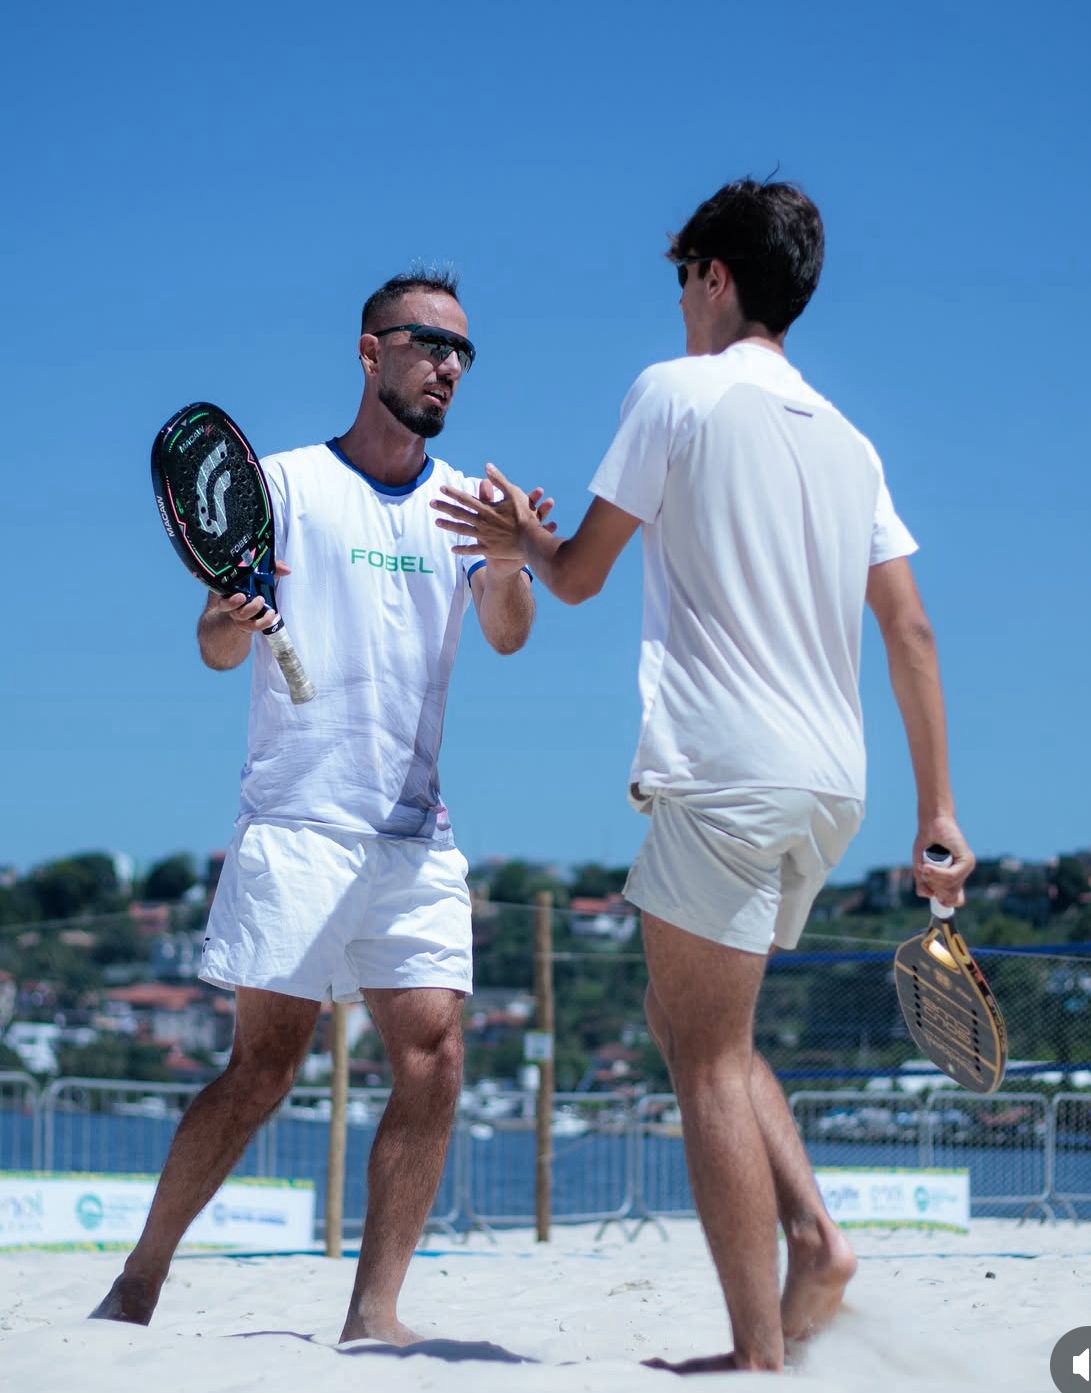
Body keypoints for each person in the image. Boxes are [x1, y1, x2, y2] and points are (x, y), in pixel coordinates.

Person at [431, 181, 975, 1373]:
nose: (678, 300)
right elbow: (912, 632)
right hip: (834, 780)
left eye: (683, 276)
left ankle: (758, 1340)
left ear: (716, 276)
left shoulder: (672, 392)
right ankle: (809, 1236)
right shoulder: (850, 438)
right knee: (694, 1020)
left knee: (705, 1056)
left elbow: (573, 578)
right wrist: (937, 811)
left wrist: (520, 535)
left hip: (726, 767)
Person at [92, 271, 546, 1344]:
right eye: (427, 342)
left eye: (462, 352)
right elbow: (211, 644)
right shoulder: (285, 483)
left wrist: (514, 555)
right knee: (261, 1071)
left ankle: (373, 1314)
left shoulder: (464, 512)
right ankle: (140, 1280)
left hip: (414, 835)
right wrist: (237, 620)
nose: (447, 364)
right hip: (296, 826)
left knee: (434, 1058)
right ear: (367, 352)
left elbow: (510, 634)